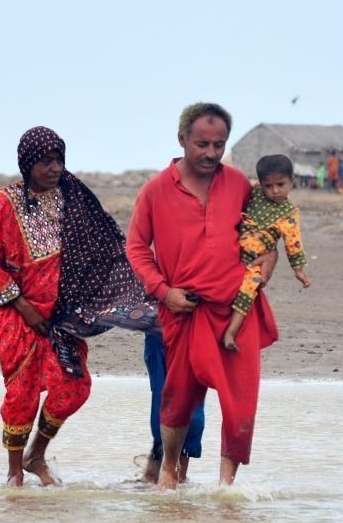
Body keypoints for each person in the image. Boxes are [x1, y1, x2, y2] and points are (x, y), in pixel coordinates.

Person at [0, 126, 147, 486]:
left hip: (60, 312)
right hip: (15, 311)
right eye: (45, 161)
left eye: (58, 160)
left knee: (74, 385)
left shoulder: (72, 195)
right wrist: (23, 305)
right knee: (22, 391)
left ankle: (35, 454)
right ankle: (13, 474)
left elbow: (104, 239)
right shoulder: (5, 201)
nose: (54, 168)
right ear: (27, 163)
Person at [126, 102, 280, 490]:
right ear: (182, 140)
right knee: (179, 400)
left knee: (240, 404)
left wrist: (270, 258)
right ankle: (168, 473)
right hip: (184, 310)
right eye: (202, 144)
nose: (211, 153)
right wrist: (163, 291)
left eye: (219, 145)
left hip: (236, 312)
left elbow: (265, 234)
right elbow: (137, 247)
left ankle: (226, 490)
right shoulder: (156, 190)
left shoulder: (239, 184)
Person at [222, 154, 311, 352]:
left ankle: (230, 333)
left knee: (248, 290)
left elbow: (293, 243)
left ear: (292, 181)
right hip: (233, 250)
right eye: (268, 186)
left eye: (281, 184)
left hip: (256, 261)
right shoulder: (255, 193)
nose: (275, 191)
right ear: (260, 184)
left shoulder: (289, 213)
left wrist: (299, 270)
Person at [141, 327, 205, 484]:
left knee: (191, 414)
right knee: (164, 407)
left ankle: (174, 477)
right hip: (162, 333)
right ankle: (160, 477)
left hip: (192, 334)